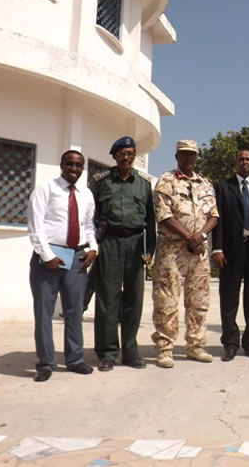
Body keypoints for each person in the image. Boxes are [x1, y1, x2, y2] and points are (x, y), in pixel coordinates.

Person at [27, 150, 98, 382]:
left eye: (78, 165)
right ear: (61, 165)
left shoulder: (86, 194)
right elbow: (35, 226)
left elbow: (89, 227)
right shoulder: (45, 189)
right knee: (44, 313)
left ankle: (75, 359)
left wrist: (93, 248)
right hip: (47, 258)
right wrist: (47, 255)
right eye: (70, 164)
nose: (74, 169)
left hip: (77, 258)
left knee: (74, 312)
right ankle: (46, 363)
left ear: (82, 168)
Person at [151, 140, 219, 368]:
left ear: (196, 157)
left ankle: (195, 345)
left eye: (192, 154)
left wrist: (201, 235)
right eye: (184, 154)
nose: (189, 158)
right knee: (167, 301)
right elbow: (164, 215)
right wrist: (189, 236)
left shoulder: (205, 183)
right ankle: (165, 348)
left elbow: (214, 215)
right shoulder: (166, 181)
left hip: (198, 253)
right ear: (177, 156)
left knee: (199, 302)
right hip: (172, 252)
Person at [91, 136, 156, 372]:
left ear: (134, 156)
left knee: (134, 299)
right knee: (107, 300)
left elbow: (150, 219)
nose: (126, 158)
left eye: (130, 153)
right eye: (122, 154)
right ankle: (107, 353)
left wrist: (149, 250)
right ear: (114, 156)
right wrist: (94, 245)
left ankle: (130, 351)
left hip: (136, 243)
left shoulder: (144, 183)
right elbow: (91, 215)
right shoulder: (101, 181)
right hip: (110, 242)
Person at [212, 149, 249, 361]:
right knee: (229, 299)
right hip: (231, 251)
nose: (244, 162)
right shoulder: (223, 187)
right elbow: (217, 220)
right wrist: (217, 249)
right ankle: (230, 343)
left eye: (248, 159)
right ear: (235, 163)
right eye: (241, 159)